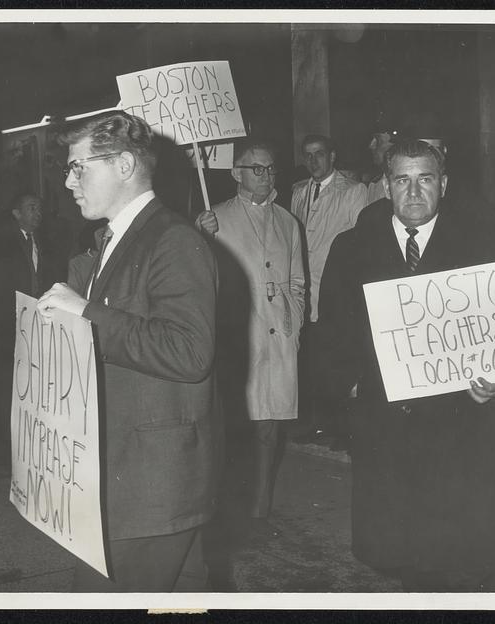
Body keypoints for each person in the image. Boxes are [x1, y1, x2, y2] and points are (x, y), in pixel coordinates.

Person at [316, 139, 495, 591]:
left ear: (444, 184)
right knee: (400, 554)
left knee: (464, 559)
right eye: (402, 180)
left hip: (462, 429)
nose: (413, 193)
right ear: (386, 186)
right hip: (387, 427)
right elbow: (332, 328)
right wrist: (349, 386)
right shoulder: (352, 247)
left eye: (425, 179)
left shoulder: (487, 242)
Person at [36, 110, 220, 592]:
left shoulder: (174, 241)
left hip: (151, 485)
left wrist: (86, 314)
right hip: (131, 476)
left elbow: (189, 351)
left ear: (122, 165)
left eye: (79, 167)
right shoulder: (110, 243)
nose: (70, 181)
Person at [195, 141, 305, 519]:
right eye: (257, 169)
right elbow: (198, 278)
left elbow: (296, 282)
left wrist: (296, 320)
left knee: (269, 427)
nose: (266, 176)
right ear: (236, 173)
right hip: (238, 334)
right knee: (234, 422)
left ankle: (260, 506)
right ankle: (225, 502)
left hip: (278, 334)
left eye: (271, 169)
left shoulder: (288, 222)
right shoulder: (215, 218)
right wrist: (200, 235)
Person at [290, 134, 367, 449]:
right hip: (303, 292)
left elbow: (359, 243)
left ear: (332, 156)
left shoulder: (352, 191)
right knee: (309, 360)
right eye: (307, 155)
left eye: (319, 154)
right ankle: (315, 424)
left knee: (338, 360)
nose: (313, 161)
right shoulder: (298, 192)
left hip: (336, 291)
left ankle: (343, 429)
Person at [0, 193, 61, 458]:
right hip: (9, 320)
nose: (37, 213)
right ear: (16, 213)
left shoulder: (46, 241)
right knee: (9, 379)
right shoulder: (2, 244)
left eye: (39, 208)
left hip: (37, 321)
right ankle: (7, 437)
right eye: (31, 208)